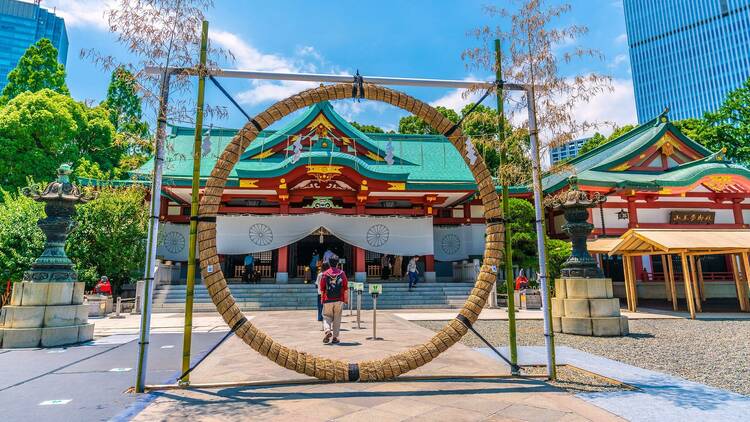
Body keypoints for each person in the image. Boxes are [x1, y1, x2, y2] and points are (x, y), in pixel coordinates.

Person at [319, 255, 348, 344]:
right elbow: (346, 286)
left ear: (329, 263)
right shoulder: (341, 273)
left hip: (328, 299)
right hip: (339, 299)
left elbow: (322, 287)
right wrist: (346, 299)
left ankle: (327, 330)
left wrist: (322, 299)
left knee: (326, 316)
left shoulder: (325, 274)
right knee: (337, 318)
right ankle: (335, 338)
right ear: (337, 263)